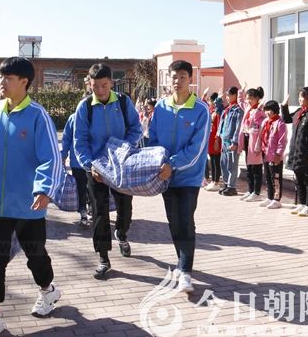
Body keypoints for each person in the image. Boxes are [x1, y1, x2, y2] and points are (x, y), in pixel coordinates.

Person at [0, 57, 64, 337]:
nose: (1, 82)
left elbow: (51, 157)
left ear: (24, 82)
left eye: (7, 78)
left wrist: (44, 189)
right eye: (0, 77)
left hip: (28, 205)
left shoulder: (38, 116)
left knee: (36, 256)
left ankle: (48, 290)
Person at [74, 63, 141, 279]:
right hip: (96, 169)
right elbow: (80, 141)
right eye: (95, 86)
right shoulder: (84, 107)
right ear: (89, 84)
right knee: (99, 213)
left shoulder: (123, 102)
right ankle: (103, 257)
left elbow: (136, 129)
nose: (100, 91)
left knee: (125, 208)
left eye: (104, 85)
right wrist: (90, 165)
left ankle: (121, 233)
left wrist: (124, 149)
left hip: (121, 166)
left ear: (111, 83)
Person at [149, 60, 210, 293]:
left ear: (190, 79)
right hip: (165, 176)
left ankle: (185, 272)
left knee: (185, 219)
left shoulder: (201, 109)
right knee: (173, 220)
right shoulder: (161, 107)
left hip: (189, 176)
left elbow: (197, 148)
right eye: (174, 77)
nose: (178, 81)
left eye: (183, 76)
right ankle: (181, 261)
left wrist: (173, 164)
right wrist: (158, 163)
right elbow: (153, 138)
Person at [281, 87, 308, 216]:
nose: (299, 99)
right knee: (298, 180)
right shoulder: (300, 112)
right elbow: (287, 119)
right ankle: (301, 203)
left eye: (302, 97)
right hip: (296, 152)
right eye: (299, 97)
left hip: (307, 153)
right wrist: (284, 106)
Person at [255, 100, 287, 209]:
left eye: (270, 110)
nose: (267, 112)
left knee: (276, 178)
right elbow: (260, 136)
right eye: (266, 110)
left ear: (275, 111)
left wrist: (278, 154)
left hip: (275, 156)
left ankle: (277, 199)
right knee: (268, 177)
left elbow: (282, 141)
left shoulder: (280, 123)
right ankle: (269, 197)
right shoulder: (265, 122)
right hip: (266, 153)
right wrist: (258, 147)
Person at [62, 112, 90, 227]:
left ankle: (86, 210)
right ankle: (84, 211)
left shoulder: (74, 118)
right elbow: (67, 138)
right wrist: (63, 154)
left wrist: (64, 155)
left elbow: (66, 138)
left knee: (83, 188)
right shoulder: (73, 118)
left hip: (83, 161)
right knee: (81, 187)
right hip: (80, 161)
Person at [238, 87, 266, 202]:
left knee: (256, 168)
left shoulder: (262, 110)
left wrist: (258, 110)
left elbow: (262, 121)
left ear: (257, 98)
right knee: (249, 167)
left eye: (251, 98)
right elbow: (240, 101)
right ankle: (250, 190)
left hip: (255, 142)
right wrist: (241, 91)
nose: (248, 101)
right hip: (246, 139)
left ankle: (256, 192)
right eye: (247, 98)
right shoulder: (248, 107)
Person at [217, 86, 244, 196]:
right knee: (223, 163)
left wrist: (235, 142)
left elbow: (238, 127)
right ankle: (226, 183)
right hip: (224, 140)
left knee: (232, 164)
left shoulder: (238, 110)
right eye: (226, 95)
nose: (227, 98)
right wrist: (218, 137)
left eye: (229, 95)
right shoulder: (227, 109)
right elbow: (221, 121)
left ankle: (232, 186)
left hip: (231, 141)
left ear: (235, 95)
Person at [205, 93, 224, 192]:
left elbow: (219, 127)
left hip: (216, 139)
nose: (210, 103)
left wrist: (217, 139)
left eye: (211, 101)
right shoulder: (212, 111)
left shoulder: (218, 113)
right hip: (210, 138)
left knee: (216, 161)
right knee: (212, 160)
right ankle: (213, 180)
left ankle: (216, 181)